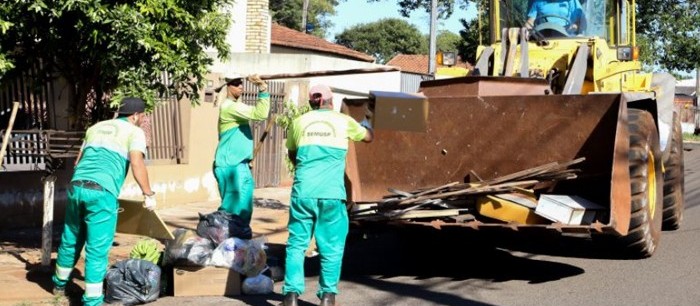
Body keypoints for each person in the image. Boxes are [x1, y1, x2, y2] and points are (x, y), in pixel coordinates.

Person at [52, 97, 156, 306]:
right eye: (143, 116)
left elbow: (78, 160)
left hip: (76, 186)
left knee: (71, 237)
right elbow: (137, 163)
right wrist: (148, 194)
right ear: (135, 115)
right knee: (97, 248)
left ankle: (59, 285)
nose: (143, 119)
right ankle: (92, 300)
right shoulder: (134, 132)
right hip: (102, 192)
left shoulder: (96, 127)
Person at [280, 84, 373, 306]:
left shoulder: (299, 122)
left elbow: (293, 155)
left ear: (312, 102)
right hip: (332, 194)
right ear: (331, 101)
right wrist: (367, 120)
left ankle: (291, 296)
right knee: (331, 247)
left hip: (303, 192)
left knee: (296, 244)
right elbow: (368, 137)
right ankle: (328, 296)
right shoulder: (343, 121)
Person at [213, 72, 270, 225]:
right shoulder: (229, 107)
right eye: (236, 83)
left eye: (241, 83)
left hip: (240, 164)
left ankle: (239, 242)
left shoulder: (235, 107)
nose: (240, 86)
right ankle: (224, 241)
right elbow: (260, 113)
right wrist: (263, 89)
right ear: (227, 87)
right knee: (231, 212)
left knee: (243, 211)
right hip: (230, 165)